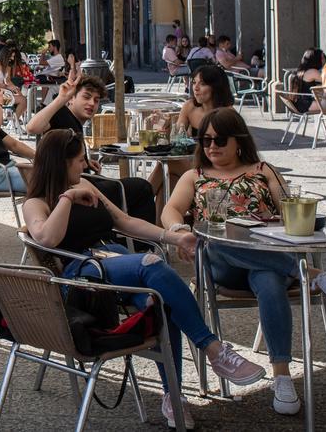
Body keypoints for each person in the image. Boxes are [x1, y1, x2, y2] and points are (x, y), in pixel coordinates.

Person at [25, 129, 267, 427]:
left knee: (162, 305)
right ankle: (213, 349)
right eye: (77, 160)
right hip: (82, 276)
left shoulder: (87, 183)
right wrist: (67, 198)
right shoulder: (36, 203)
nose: (84, 165)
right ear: (59, 163)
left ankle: (173, 396)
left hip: (111, 262)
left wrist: (173, 237)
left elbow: (124, 222)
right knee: (151, 263)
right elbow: (47, 238)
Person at [161, 108, 326, 415]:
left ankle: (282, 377)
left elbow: (291, 210)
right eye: (206, 139)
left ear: (238, 140)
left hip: (268, 257)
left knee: (268, 279)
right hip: (222, 265)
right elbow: (170, 210)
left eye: (220, 139)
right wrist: (179, 228)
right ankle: (309, 273)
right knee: (212, 238)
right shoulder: (193, 177)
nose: (212, 146)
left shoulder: (263, 170)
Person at [26, 71, 158, 223]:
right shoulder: (62, 113)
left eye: (96, 100)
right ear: (72, 99)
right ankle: (141, 243)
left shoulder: (74, 121)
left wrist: (85, 162)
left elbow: (67, 153)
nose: (91, 104)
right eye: (86, 97)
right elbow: (32, 127)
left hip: (82, 185)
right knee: (142, 187)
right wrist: (61, 99)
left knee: (146, 186)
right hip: (74, 190)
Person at [177, 65, 234, 137]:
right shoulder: (189, 106)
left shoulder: (228, 114)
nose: (196, 88)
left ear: (216, 87)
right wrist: (165, 125)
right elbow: (177, 136)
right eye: (194, 82)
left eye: (202, 84)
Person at [0, 45, 28, 121]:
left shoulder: (8, 66)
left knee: (24, 100)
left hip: (2, 92)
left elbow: (8, 81)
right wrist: (6, 87)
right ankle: (13, 122)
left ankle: (12, 121)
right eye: (11, 56)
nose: (12, 58)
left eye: (13, 56)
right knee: (23, 101)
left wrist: (17, 90)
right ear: (5, 55)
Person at [289, 48, 325, 114]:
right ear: (316, 59)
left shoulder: (300, 71)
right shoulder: (312, 72)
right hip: (307, 104)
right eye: (322, 58)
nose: (324, 60)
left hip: (298, 104)